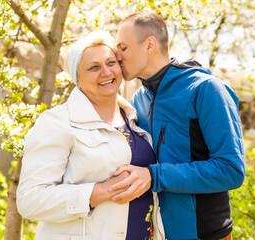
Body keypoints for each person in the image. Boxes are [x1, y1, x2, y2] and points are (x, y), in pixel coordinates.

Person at [109, 11, 246, 240]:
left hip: (205, 234)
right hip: (156, 232)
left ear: (149, 45)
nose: (118, 56)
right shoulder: (138, 101)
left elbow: (231, 170)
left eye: (123, 48)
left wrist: (155, 176)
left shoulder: (206, 89)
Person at [16, 30, 164, 240]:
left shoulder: (135, 118)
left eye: (111, 63)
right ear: (77, 79)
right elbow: (29, 200)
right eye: (93, 67)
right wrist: (101, 191)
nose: (106, 72)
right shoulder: (57, 122)